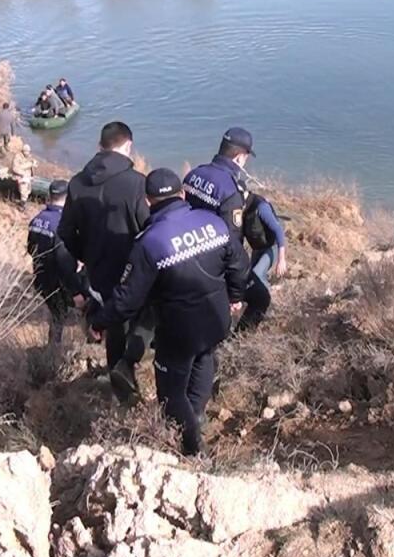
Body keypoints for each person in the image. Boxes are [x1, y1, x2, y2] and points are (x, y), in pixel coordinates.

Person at [92, 168, 248, 456]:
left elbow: (127, 299)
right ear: (183, 194)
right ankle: (197, 416)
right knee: (204, 357)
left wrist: (100, 321)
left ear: (148, 201)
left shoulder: (150, 242)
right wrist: (235, 296)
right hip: (217, 319)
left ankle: (191, 450)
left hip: (179, 333)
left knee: (171, 394)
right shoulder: (213, 222)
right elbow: (239, 264)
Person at [58, 122, 151, 398]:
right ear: (127, 146)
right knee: (145, 319)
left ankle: (119, 387)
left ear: (100, 147)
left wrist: (79, 272)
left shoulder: (76, 183)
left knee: (114, 328)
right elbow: (148, 229)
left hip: (98, 276)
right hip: (132, 274)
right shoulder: (135, 183)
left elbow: (64, 235)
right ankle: (129, 368)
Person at [183, 127, 260, 329]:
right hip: (212, 270)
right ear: (239, 157)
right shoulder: (230, 190)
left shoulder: (193, 174)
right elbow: (231, 242)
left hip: (185, 254)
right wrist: (235, 294)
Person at [26, 180, 83, 344]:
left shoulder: (36, 219)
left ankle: (54, 346)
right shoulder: (62, 225)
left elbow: (31, 249)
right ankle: (54, 350)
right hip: (57, 282)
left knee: (56, 311)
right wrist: (75, 292)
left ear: (50, 196)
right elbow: (64, 263)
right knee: (61, 314)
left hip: (40, 278)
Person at [237, 191, 287, 331]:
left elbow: (278, 230)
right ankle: (260, 305)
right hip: (257, 249)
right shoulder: (240, 209)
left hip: (272, 248)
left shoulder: (261, 207)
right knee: (251, 279)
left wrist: (281, 260)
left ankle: (266, 307)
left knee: (257, 275)